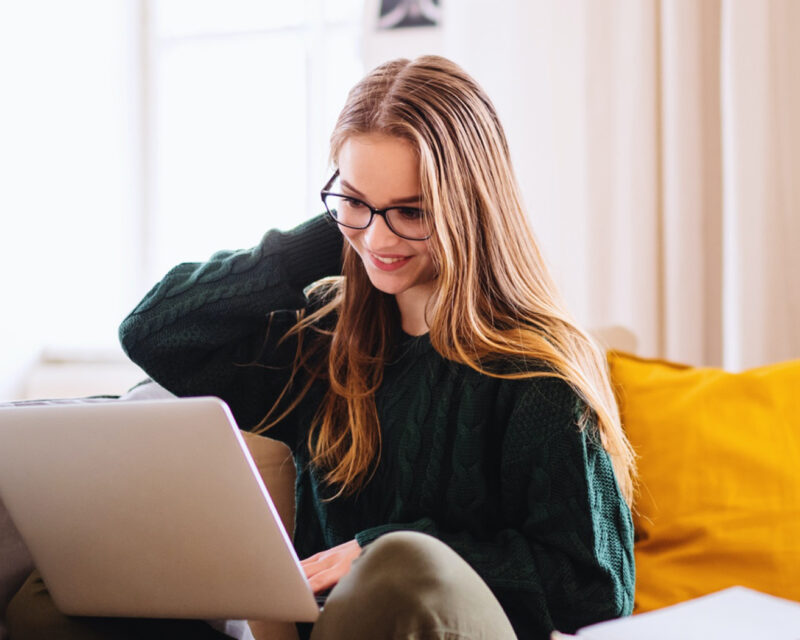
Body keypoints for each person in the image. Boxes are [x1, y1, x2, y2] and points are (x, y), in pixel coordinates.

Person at [7, 55, 635, 640]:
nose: (378, 238)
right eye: (355, 202)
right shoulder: (325, 340)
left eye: (411, 212)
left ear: (467, 208)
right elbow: (154, 331)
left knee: (401, 569)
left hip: (433, 623)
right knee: (51, 601)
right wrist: (327, 237)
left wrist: (380, 546)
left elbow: (595, 588)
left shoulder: (537, 370)